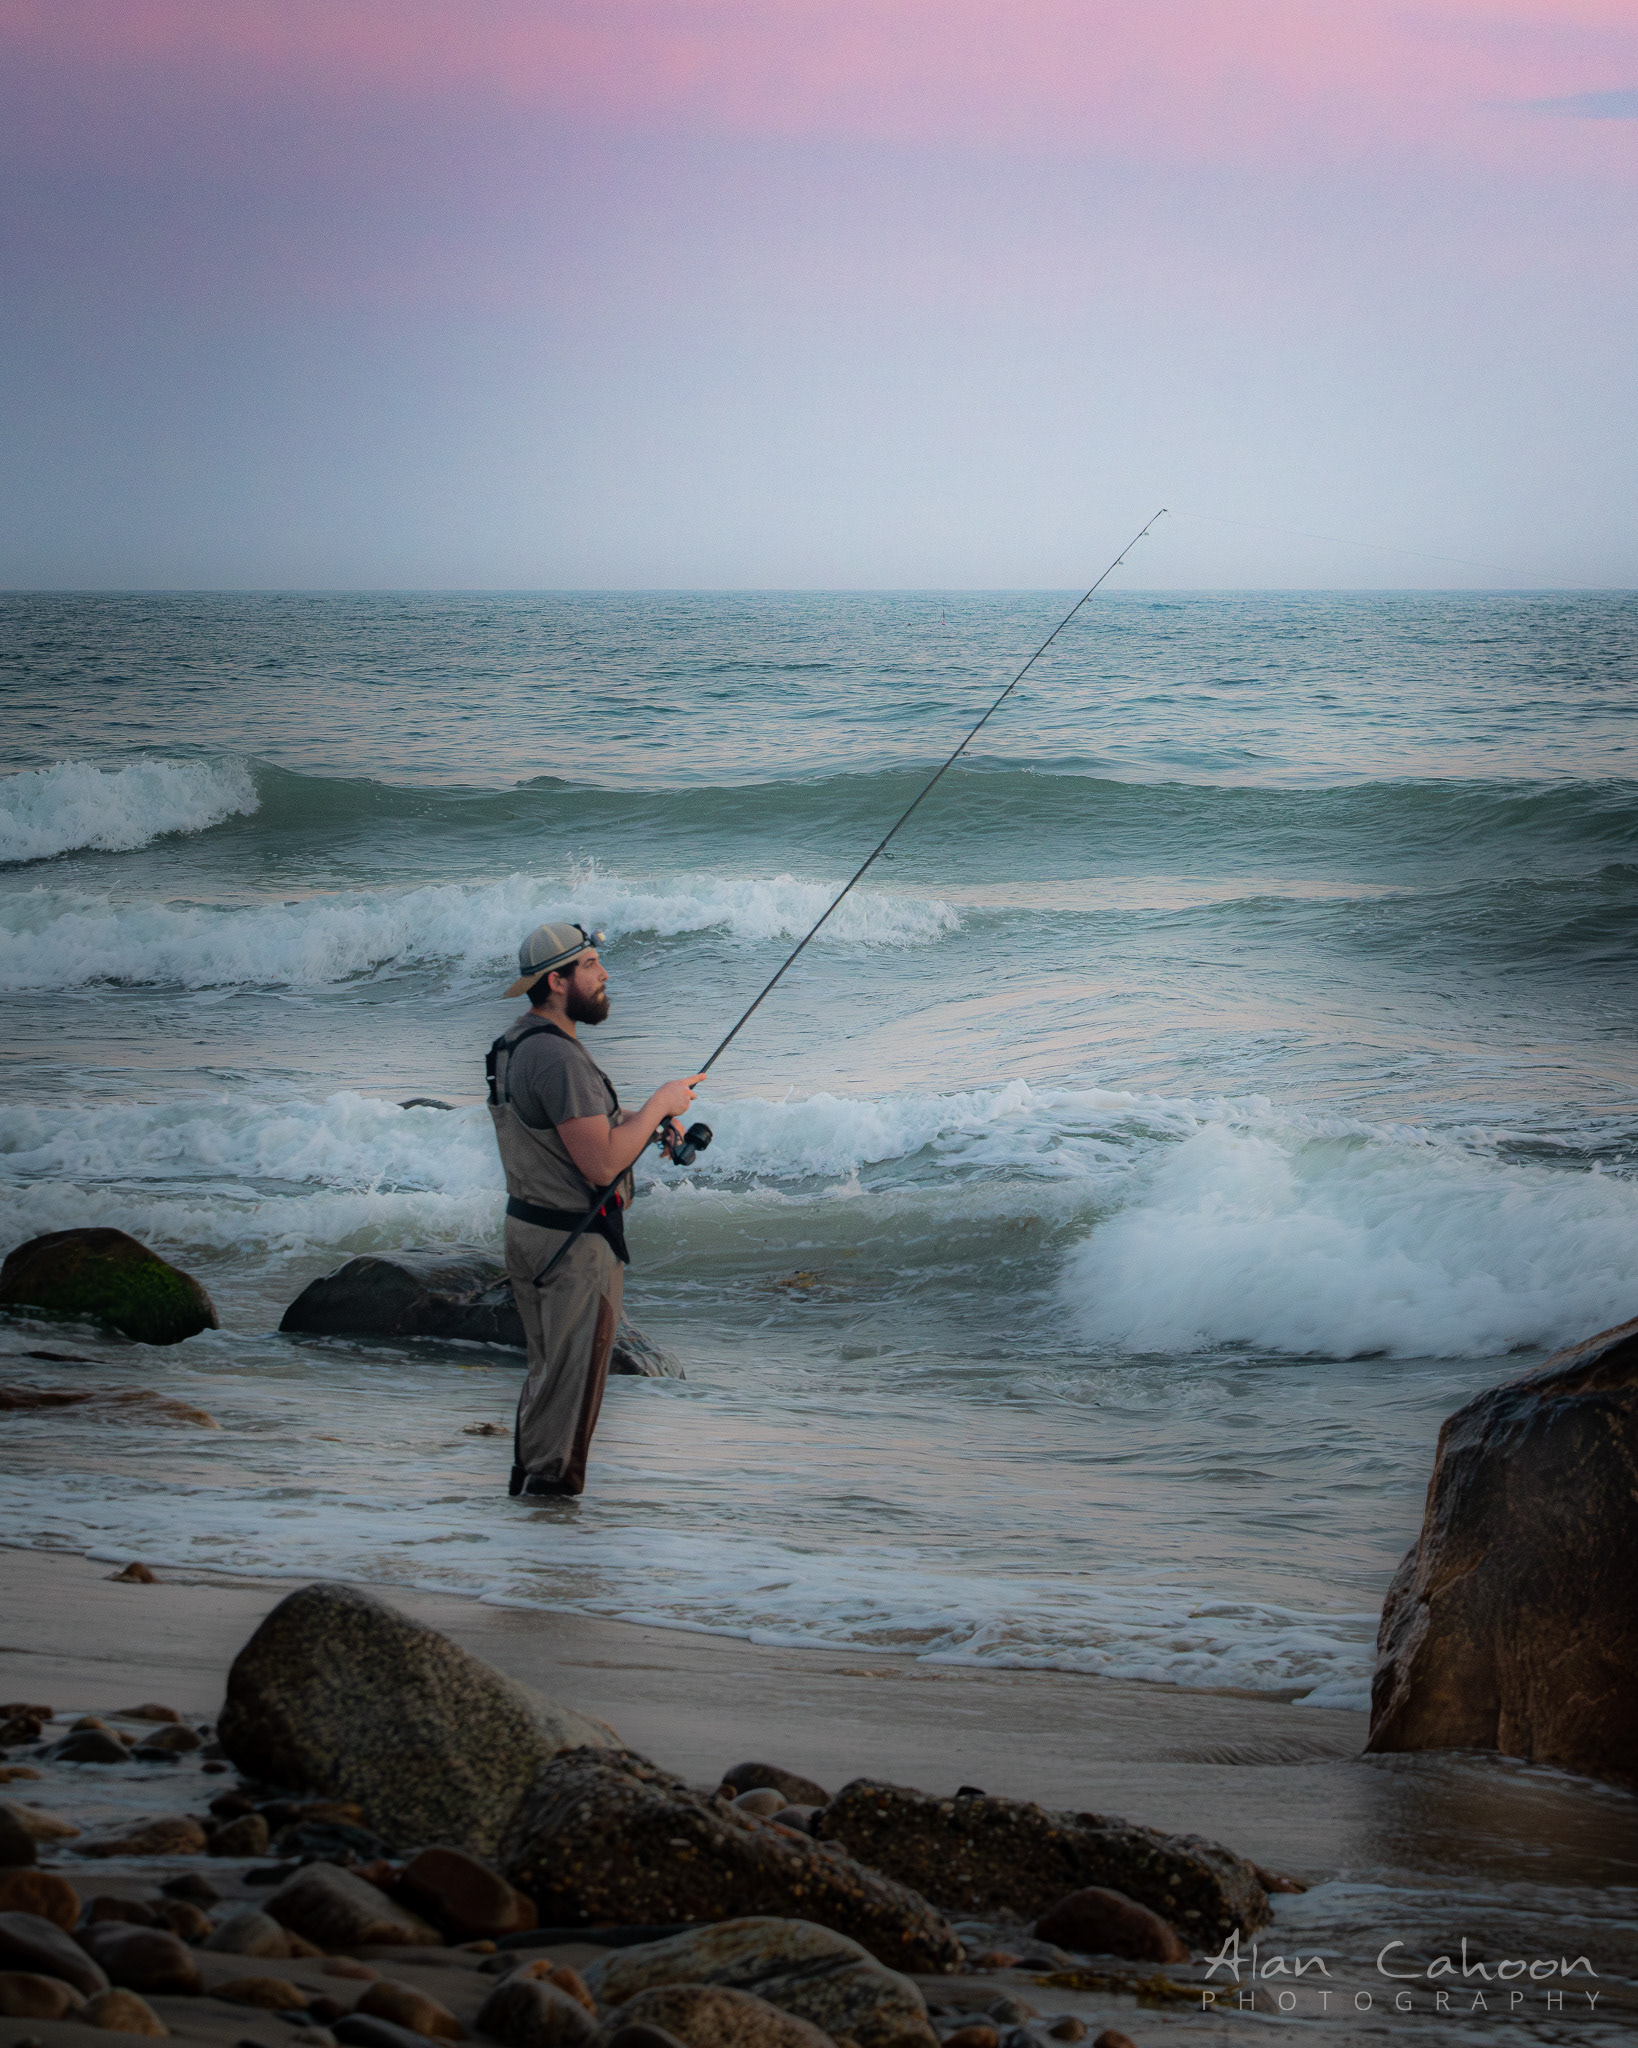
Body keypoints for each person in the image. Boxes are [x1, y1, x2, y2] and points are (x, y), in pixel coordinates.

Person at [487, 923, 701, 1497]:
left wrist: (642, 1120)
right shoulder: (558, 1058)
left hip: (533, 1232)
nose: (604, 975)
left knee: (548, 1380)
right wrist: (661, 1101)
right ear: (557, 981)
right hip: (572, 1248)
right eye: (590, 966)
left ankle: (525, 1518)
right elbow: (601, 1165)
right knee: (570, 1390)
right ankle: (552, 1545)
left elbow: (565, 1127)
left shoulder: (516, 1043)